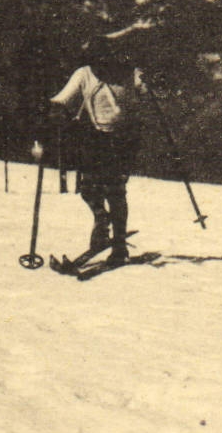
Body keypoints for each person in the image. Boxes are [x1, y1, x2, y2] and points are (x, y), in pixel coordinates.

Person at [38, 30, 146, 266]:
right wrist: (54, 112)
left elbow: (150, 89)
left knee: (115, 191)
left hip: (124, 137)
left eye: (105, 61)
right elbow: (62, 99)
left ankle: (118, 246)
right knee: (88, 189)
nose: (101, 66)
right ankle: (101, 220)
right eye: (97, 61)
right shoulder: (84, 74)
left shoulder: (129, 73)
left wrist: (154, 83)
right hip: (97, 137)